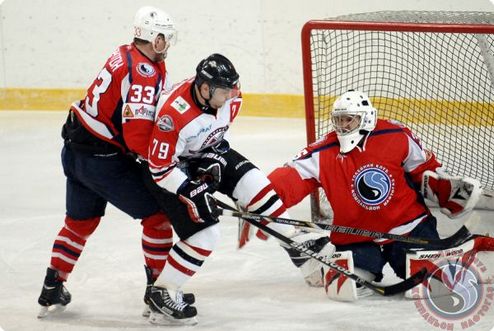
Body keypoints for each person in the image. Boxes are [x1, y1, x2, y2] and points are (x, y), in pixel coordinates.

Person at [140, 53, 334, 325]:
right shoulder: (174, 114)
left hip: (202, 154)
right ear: (204, 89)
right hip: (168, 170)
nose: (230, 95)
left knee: (256, 184)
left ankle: (293, 243)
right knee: (206, 234)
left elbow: (217, 135)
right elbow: (159, 168)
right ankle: (163, 292)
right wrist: (189, 188)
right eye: (223, 91)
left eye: (232, 88)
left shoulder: (232, 97)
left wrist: (212, 161)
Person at [37, 6, 185, 317]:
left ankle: (52, 284)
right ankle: (158, 292)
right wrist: (164, 161)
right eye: (165, 40)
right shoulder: (143, 72)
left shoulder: (124, 52)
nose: (167, 46)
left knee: (80, 222)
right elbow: (136, 137)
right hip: (101, 161)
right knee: (158, 216)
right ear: (154, 39)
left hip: (76, 152)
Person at [267, 90, 481, 296]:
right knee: (345, 282)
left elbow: (423, 169)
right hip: (355, 236)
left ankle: (461, 254)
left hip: (408, 228)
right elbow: (291, 176)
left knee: (437, 282)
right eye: (339, 120)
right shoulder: (323, 151)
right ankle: (330, 260)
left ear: (366, 118)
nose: (343, 126)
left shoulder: (395, 135)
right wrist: (260, 195)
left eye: (348, 119)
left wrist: (444, 189)